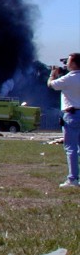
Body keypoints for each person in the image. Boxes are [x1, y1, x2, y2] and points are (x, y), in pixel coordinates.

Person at [48, 53, 80, 188]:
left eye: (68, 61)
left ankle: (72, 179)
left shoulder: (69, 78)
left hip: (72, 115)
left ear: (73, 64)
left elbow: (51, 85)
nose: (66, 63)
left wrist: (52, 74)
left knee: (71, 148)